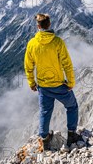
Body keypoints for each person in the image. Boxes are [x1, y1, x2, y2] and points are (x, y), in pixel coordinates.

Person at [24, 13, 82, 149]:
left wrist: (31, 83)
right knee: (72, 106)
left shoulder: (32, 44)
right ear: (49, 24)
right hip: (59, 85)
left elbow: (28, 66)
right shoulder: (57, 42)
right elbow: (67, 63)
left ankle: (44, 138)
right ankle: (72, 135)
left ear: (38, 26)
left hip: (43, 86)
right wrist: (71, 82)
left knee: (45, 111)